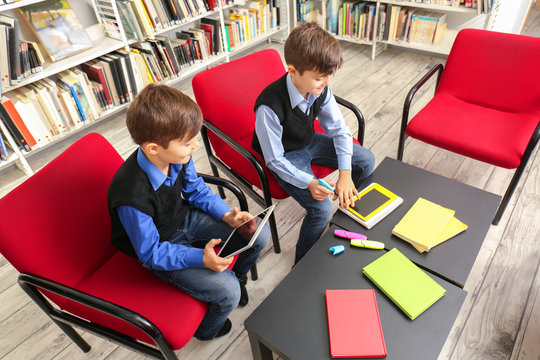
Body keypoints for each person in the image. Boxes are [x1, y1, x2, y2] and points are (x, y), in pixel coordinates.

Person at [108, 84, 270, 340]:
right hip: (162, 246)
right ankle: (207, 331)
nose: (195, 146)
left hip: (184, 219)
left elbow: (196, 191)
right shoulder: (131, 196)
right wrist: (199, 259)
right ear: (153, 148)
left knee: (259, 233)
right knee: (228, 293)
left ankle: (238, 275)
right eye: (187, 142)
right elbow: (151, 253)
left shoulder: (178, 154)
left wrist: (226, 216)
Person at [252, 22, 375, 264]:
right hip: (286, 155)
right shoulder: (269, 106)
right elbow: (274, 160)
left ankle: (345, 219)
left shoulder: (321, 89)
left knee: (366, 160)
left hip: (309, 141)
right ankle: (303, 265)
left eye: (330, 75)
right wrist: (309, 182)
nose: (327, 82)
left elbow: (339, 131)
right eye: (320, 77)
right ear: (293, 72)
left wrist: (345, 173)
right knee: (319, 210)